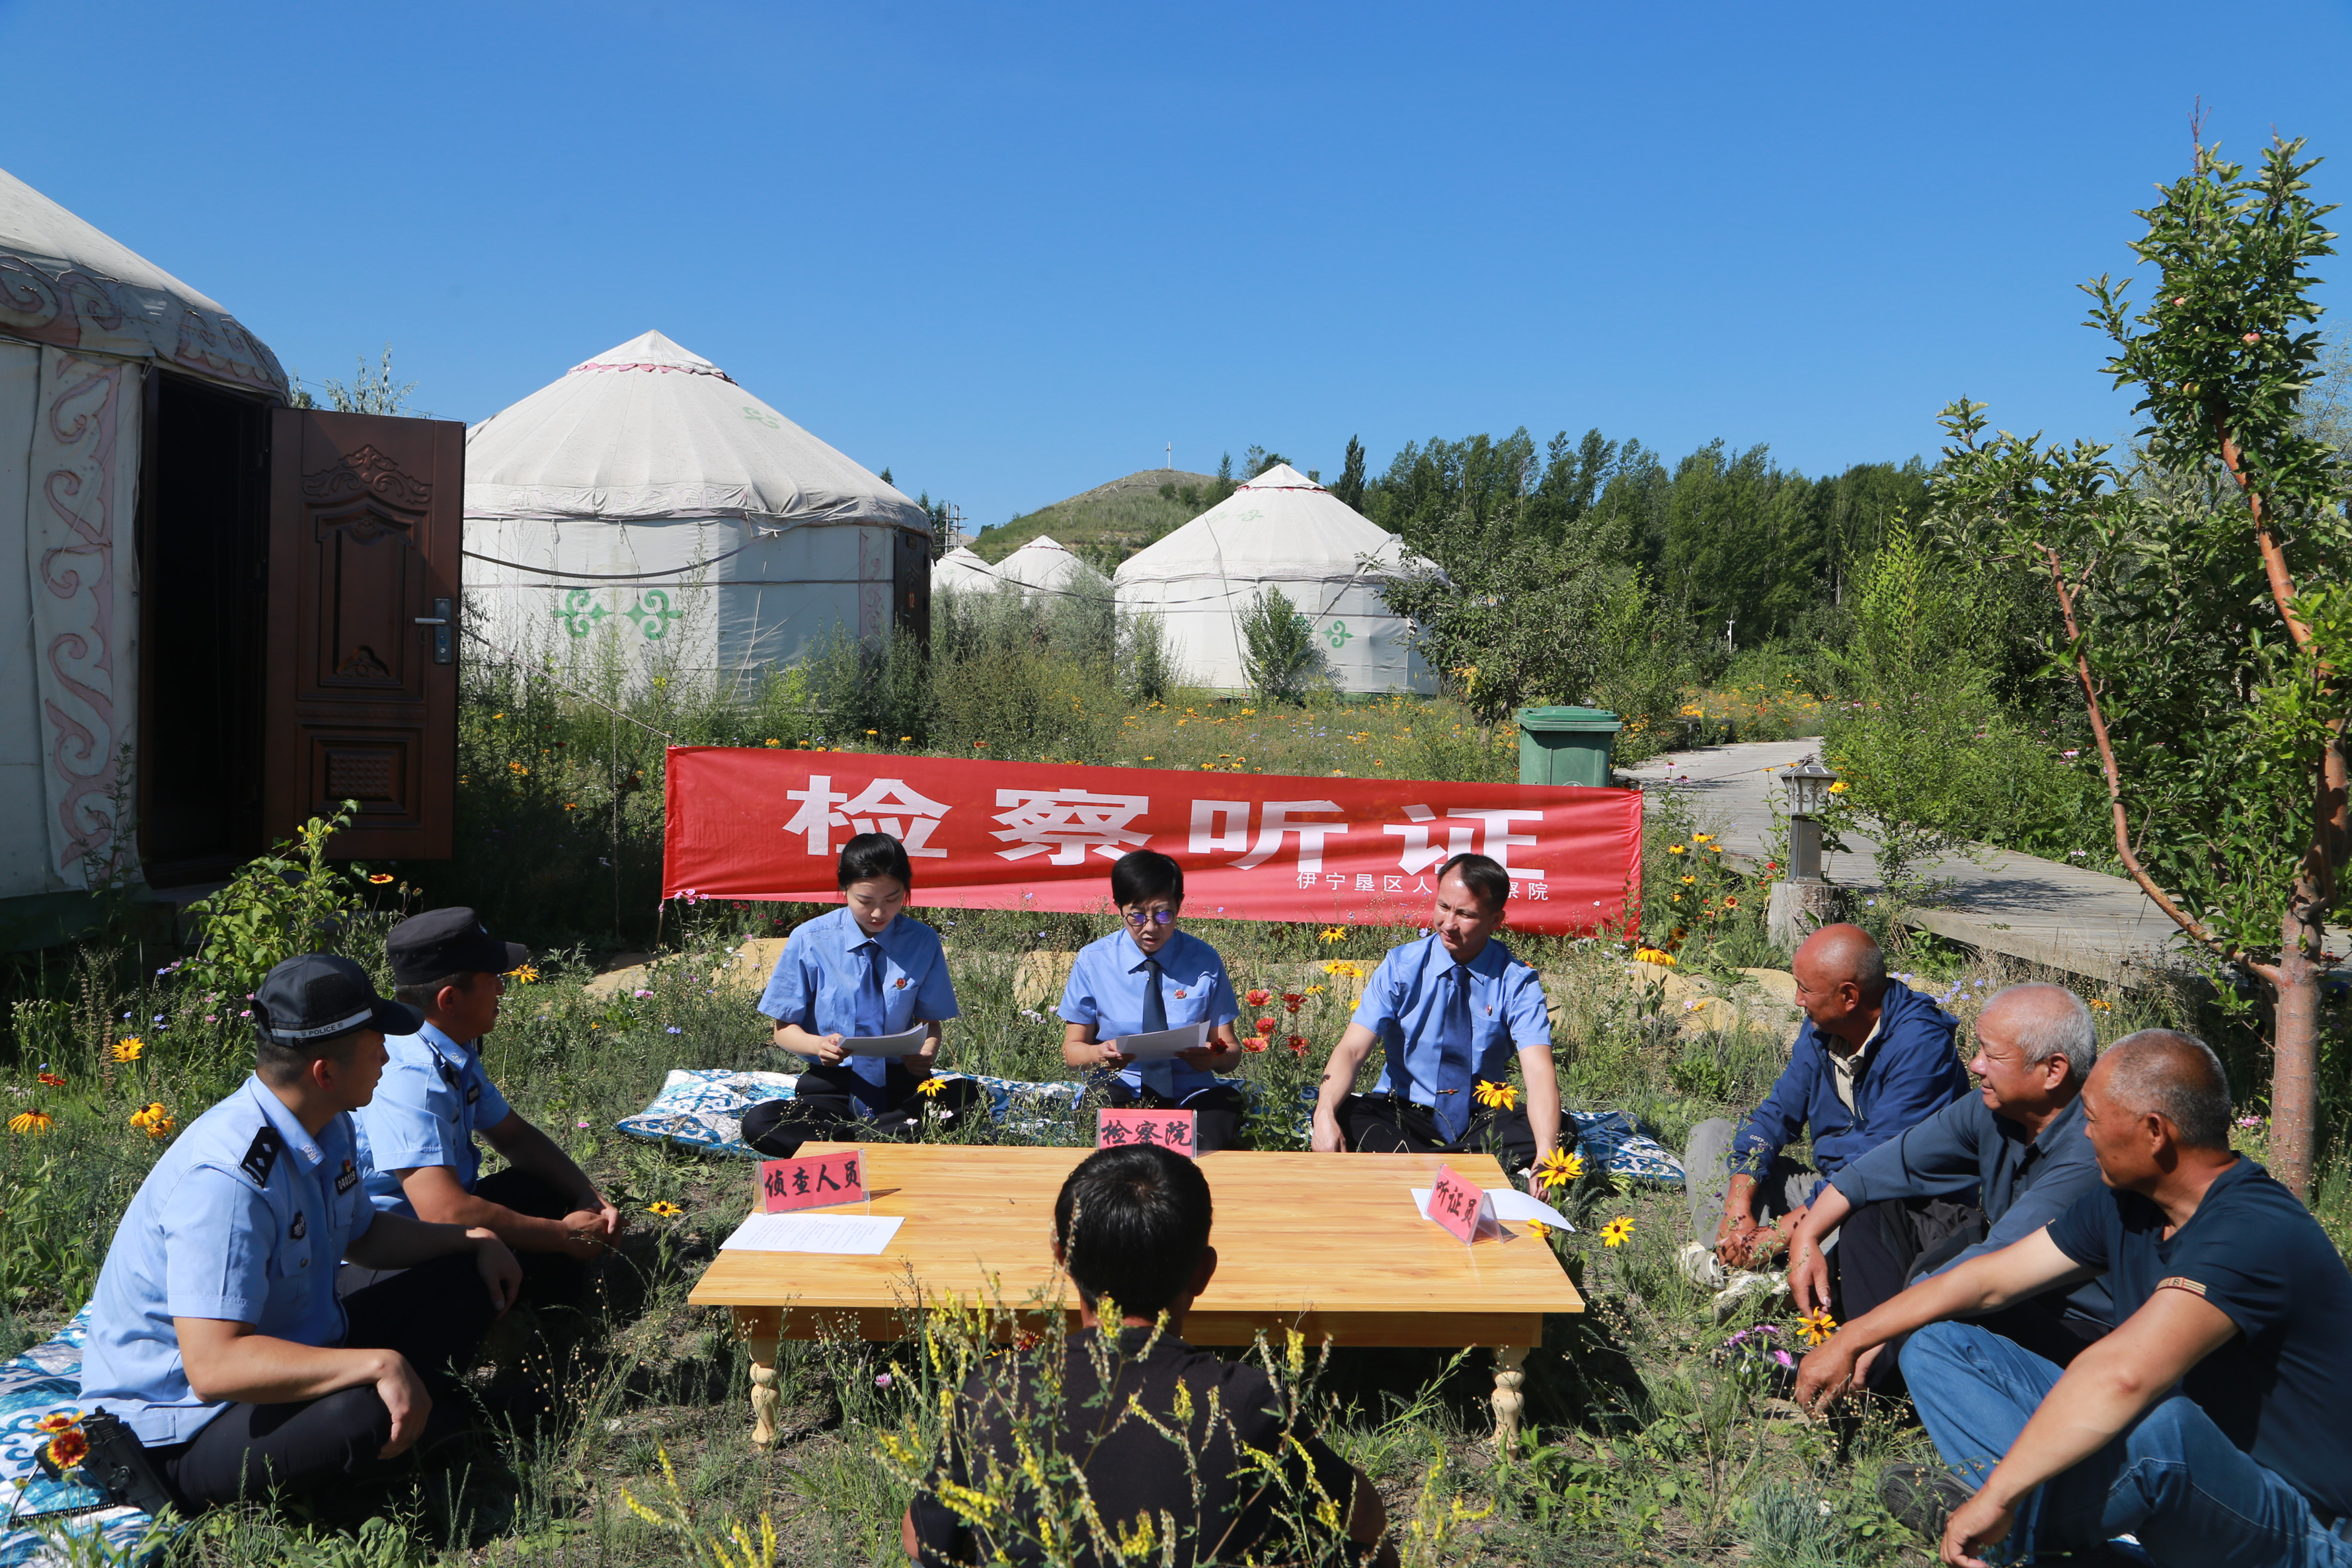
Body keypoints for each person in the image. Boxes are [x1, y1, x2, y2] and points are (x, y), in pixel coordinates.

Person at [1795, 1031, 2352, 1567]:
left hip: (2303, 1527)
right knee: (1938, 1341)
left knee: (2163, 1430)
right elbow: (1988, 1280)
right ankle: (2061, 1535)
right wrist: (1854, 1336)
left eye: (2093, 1119)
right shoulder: (2129, 1203)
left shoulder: (2250, 1229)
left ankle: (2013, 1529)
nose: (2085, 1135)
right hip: (2186, 1488)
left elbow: (2124, 1376)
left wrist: (2000, 1495)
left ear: (2154, 1132)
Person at [79, 955, 523, 1509]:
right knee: (359, 1411)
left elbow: (364, 1234)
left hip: (292, 1350)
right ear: (324, 1073)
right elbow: (214, 1368)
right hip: (184, 1428)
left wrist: (471, 1239)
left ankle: (424, 1415)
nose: (387, 1057)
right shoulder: (227, 1180)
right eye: (376, 1046)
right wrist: (375, 1363)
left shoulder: (328, 1121)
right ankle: (413, 1443)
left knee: (464, 1270)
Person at [902, 1144, 1393, 1568]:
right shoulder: (1247, 1401)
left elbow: (920, 1538)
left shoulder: (995, 1390)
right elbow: (1366, 1521)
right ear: (1204, 1272)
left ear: (1062, 1258)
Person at [1785, 984, 2112, 1386]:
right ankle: (1876, 1370)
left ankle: (1865, 1378)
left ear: (2054, 1071)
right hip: (2002, 1283)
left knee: (1959, 1298)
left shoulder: (2091, 1152)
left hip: (2074, 1331)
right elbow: (1879, 1169)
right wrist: (1807, 1236)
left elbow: (1994, 1270)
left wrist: (1862, 1332)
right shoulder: (1994, 1110)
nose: (1976, 1065)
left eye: (1992, 1056)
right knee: (1873, 1214)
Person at [354, 907, 623, 1306]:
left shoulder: (448, 1044)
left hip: (437, 1217)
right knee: (468, 1274)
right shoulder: (412, 1075)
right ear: (449, 1000)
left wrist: (587, 1195)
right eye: (491, 980)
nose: (501, 989)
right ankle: (529, 1322)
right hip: (390, 1244)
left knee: (547, 1187)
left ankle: (545, 1308)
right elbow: (445, 1214)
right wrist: (562, 1236)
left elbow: (513, 1137)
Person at [1684, 925, 1964, 1278]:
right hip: (1825, 1188)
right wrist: (1737, 1208)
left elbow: (1873, 1169)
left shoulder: (1921, 1046)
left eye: (1805, 989)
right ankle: (1739, 1259)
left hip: (1892, 1207)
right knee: (1711, 1135)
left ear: (1849, 996)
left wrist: (1779, 1233)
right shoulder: (1822, 1030)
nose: (1798, 1000)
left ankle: (1759, 1274)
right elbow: (1774, 1118)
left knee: (1861, 1224)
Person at [1310, 853, 1559, 1178]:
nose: (1449, 924)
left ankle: (1416, 1167)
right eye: (1443, 907)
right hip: (1402, 1110)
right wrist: (1324, 1114)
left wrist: (1546, 1154)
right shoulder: (1402, 966)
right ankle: (1464, 1171)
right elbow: (1353, 1049)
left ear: (1495, 920)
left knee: (1557, 1132)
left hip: (1478, 1116)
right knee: (1340, 1112)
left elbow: (1538, 1071)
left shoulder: (1516, 982)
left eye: (1465, 914)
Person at [743, 832, 984, 1157]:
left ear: (906, 891)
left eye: (892, 899)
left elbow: (930, 1024)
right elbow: (783, 1030)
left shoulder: (922, 940)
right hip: (831, 1085)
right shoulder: (810, 939)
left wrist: (927, 1051)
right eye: (865, 901)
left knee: (971, 1095)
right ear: (844, 889)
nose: (878, 913)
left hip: (901, 1082)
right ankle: (884, 1140)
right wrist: (817, 1046)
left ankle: (847, 1145)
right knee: (760, 1122)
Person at [1060, 850, 1250, 1152]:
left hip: (1193, 1092)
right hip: (1120, 1086)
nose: (1150, 928)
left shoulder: (1204, 960)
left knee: (1218, 1121)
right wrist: (1099, 1053)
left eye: (1163, 915)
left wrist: (1212, 1058)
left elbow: (1230, 1050)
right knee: (1105, 1121)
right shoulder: (1093, 961)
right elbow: (1072, 1051)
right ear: (1118, 907)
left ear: (1179, 904)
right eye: (1136, 916)